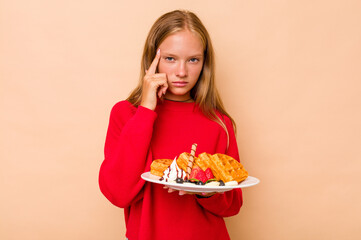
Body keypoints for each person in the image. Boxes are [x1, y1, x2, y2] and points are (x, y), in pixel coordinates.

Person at [99, 9, 243, 240]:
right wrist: (146, 110)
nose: (182, 72)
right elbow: (118, 193)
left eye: (193, 60)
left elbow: (233, 204)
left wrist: (204, 191)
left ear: (205, 63)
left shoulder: (218, 122)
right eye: (170, 59)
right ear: (152, 60)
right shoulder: (126, 114)